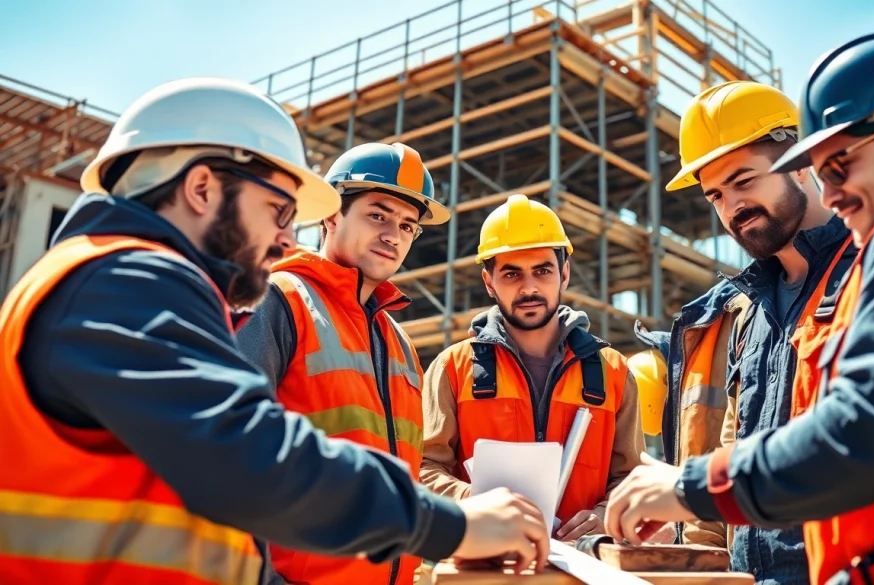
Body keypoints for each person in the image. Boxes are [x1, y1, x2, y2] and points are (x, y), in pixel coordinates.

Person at [0, 77, 549, 585]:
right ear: (201, 188)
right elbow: (245, 455)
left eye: (407, 226)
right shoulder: (123, 280)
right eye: (277, 210)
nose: (287, 239)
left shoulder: (113, 276)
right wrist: (450, 524)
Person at [604, 31, 874, 585]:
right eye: (715, 195)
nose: (831, 193)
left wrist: (691, 488)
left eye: (839, 167)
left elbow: (870, 434)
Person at [632, 79, 855, 584]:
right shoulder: (744, 314)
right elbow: (731, 448)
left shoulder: (867, 271)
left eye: (745, 180)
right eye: (716, 194)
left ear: (802, 162)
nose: (733, 206)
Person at [235, 141, 451, 585]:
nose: (393, 235)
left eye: (407, 225)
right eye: (378, 215)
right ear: (332, 215)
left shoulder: (399, 342)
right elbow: (228, 460)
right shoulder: (277, 301)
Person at [419, 194, 644, 542]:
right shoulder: (453, 368)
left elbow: (632, 477)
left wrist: (605, 515)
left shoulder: (612, 371)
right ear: (489, 282)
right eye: (512, 274)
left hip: (583, 562)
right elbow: (422, 467)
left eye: (542, 271)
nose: (529, 288)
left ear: (564, 274)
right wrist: (471, 501)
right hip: (484, 560)